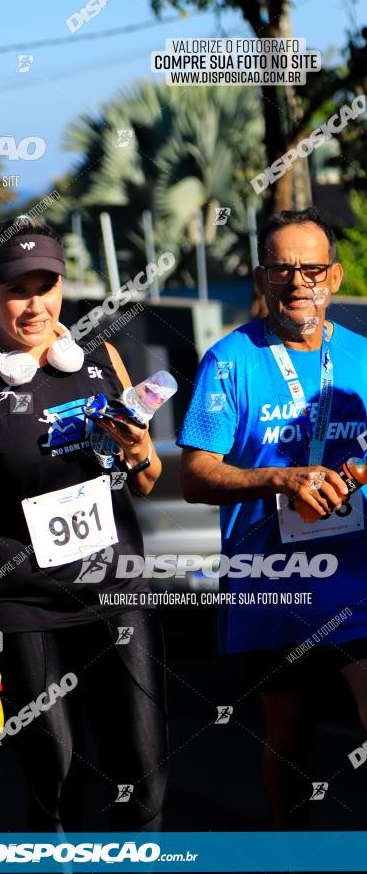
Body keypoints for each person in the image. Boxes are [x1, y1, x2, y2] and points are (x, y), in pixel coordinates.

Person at [0, 218, 170, 833]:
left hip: (116, 596)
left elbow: (145, 480)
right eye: (16, 289)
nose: (34, 305)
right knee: (56, 776)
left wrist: (138, 449)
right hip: (21, 605)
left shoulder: (99, 360)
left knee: (143, 782)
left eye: (46, 285)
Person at [177, 207, 367, 829]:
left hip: (357, 576)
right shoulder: (229, 361)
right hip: (272, 581)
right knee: (290, 738)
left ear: (334, 277)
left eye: (311, 268)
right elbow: (195, 475)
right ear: (262, 279)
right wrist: (279, 478)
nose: (298, 282)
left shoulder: (364, 356)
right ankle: (289, 855)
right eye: (282, 269)